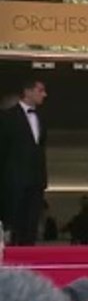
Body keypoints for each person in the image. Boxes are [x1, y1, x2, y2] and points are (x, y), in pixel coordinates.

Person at [0, 78, 48, 246]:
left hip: (35, 181)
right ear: (27, 92)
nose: (44, 94)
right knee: (14, 225)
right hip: (14, 181)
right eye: (40, 90)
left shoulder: (41, 118)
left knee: (31, 225)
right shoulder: (7, 117)